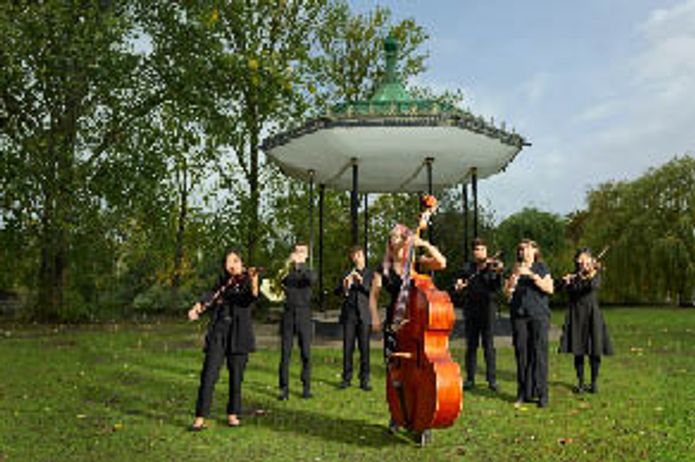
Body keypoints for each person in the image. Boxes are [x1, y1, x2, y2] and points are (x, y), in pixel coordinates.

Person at [369, 218, 447, 432]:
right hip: (395, 324)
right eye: (393, 236)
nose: (397, 239)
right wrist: (374, 317)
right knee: (395, 371)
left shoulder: (416, 262)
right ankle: (397, 415)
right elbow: (373, 296)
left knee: (420, 374)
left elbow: (442, 263)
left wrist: (425, 245)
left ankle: (423, 415)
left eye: (400, 235)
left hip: (417, 326)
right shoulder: (383, 268)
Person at [187, 249, 259, 430]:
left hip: (239, 333)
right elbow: (210, 295)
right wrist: (197, 307)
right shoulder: (222, 282)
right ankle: (200, 417)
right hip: (219, 332)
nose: (232, 265)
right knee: (208, 375)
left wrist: (254, 283)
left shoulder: (248, 280)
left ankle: (233, 414)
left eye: (235, 261)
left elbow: (248, 298)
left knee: (236, 378)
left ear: (241, 262)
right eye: (228, 262)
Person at [504, 239, 554, 408]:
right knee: (521, 354)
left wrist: (532, 275)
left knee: (539, 354)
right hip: (519, 316)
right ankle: (523, 392)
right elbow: (507, 293)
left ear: (535, 251)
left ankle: (542, 394)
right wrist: (514, 279)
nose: (524, 252)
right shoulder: (514, 269)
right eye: (521, 250)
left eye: (527, 249)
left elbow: (549, 288)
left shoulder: (541, 268)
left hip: (538, 315)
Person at [558, 248, 613, 393]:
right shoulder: (574, 275)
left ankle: (594, 382)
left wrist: (590, 274)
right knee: (578, 349)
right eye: (580, 259)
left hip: (592, 314)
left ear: (591, 260)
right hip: (576, 314)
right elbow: (568, 291)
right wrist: (567, 281)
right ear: (577, 261)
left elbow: (592, 287)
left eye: (586, 258)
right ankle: (581, 382)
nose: (583, 262)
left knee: (595, 350)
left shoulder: (595, 274)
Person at [454, 238, 503, 391]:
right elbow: (460, 280)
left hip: (487, 308)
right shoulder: (468, 267)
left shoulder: (491, 267)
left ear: (486, 251)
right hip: (471, 308)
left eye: (482, 249)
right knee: (471, 345)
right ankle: (470, 378)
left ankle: (492, 379)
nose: (479, 252)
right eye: (476, 250)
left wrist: (496, 272)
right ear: (473, 252)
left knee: (488, 344)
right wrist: (459, 284)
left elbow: (496, 287)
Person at [278, 242, 316, 400]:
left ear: (306, 255)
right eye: (297, 251)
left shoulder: (309, 270)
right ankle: (284, 389)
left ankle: (306, 388)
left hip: (304, 314)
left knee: (305, 353)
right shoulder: (286, 271)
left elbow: (311, 280)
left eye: (302, 252)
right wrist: (289, 265)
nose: (299, 254)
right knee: (285, 353)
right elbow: (277, 283)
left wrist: (300, 265)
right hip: (288, 313)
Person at [335, 246, 373, 391]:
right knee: (347, 348)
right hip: (349, 315)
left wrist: (361, 281)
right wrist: (345, 286)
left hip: (364, 315)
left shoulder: (370, 274)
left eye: (359, 255)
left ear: (364, 256)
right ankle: (346, 378)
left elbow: (372, 292)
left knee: (364, 349)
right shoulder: (347, 273)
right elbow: (337, 291)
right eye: (354, 256)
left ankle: (364, 379)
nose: (356, 258)